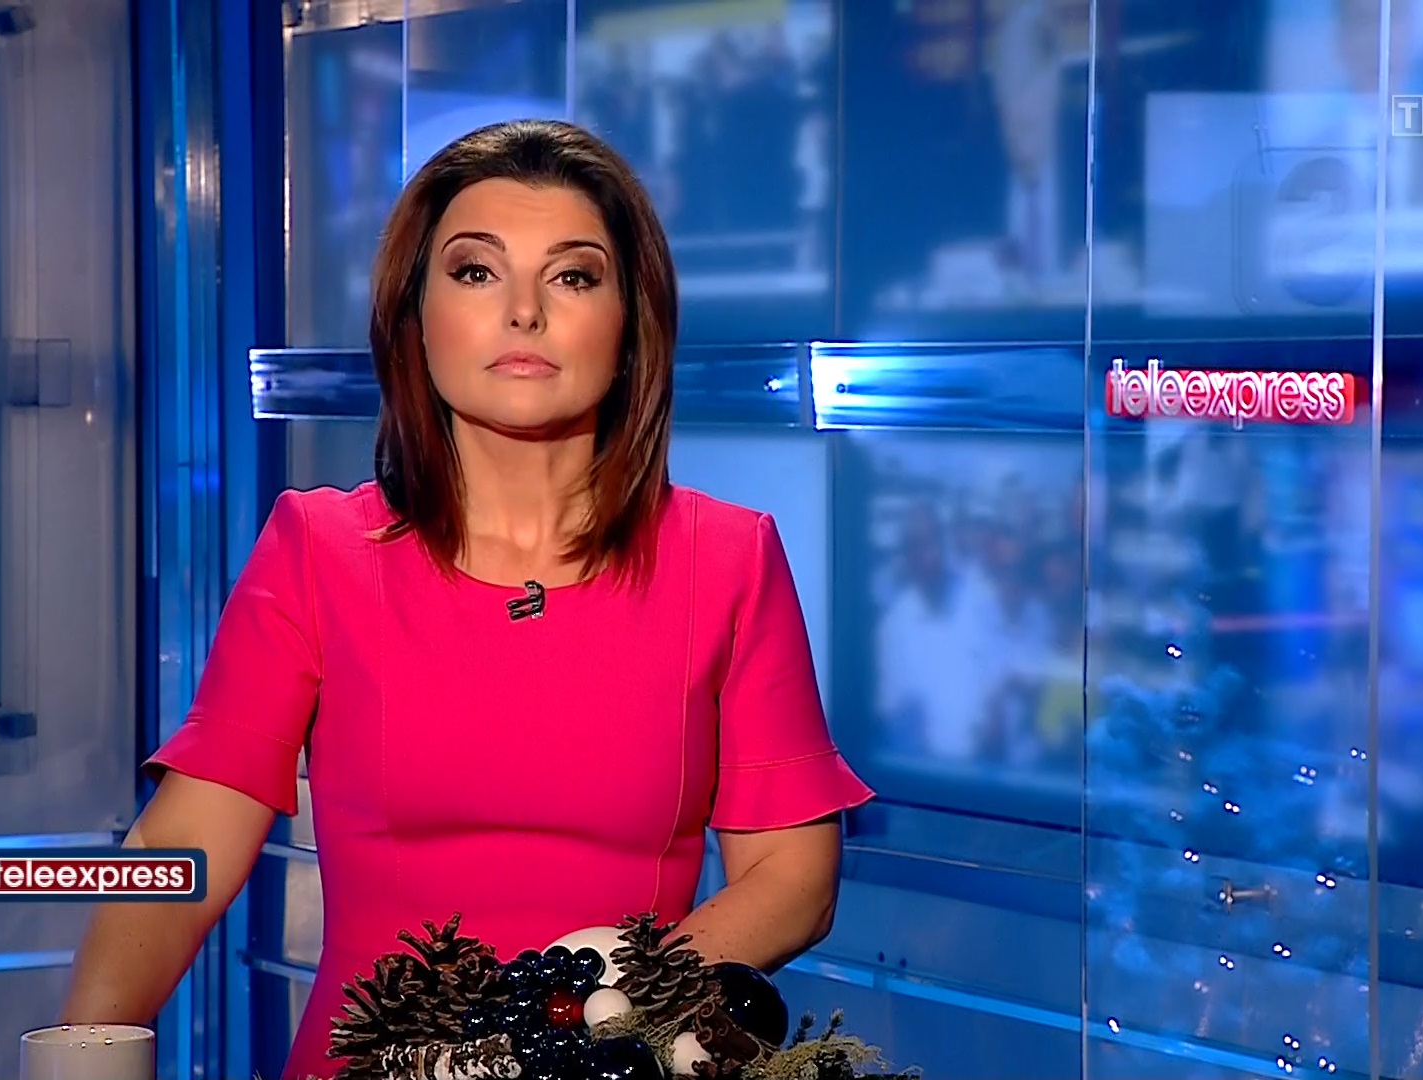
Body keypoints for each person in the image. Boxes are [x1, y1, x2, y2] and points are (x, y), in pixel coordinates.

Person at [58, 119, 874, 1080]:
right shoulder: (317, 551)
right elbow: (187, 843)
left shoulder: (727, 559)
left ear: (630, 327)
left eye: (573, 277)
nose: (523, 312)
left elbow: (793, 876)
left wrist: (585, 1015)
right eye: (477, 272)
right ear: (415, 318)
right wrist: (81, 1053)